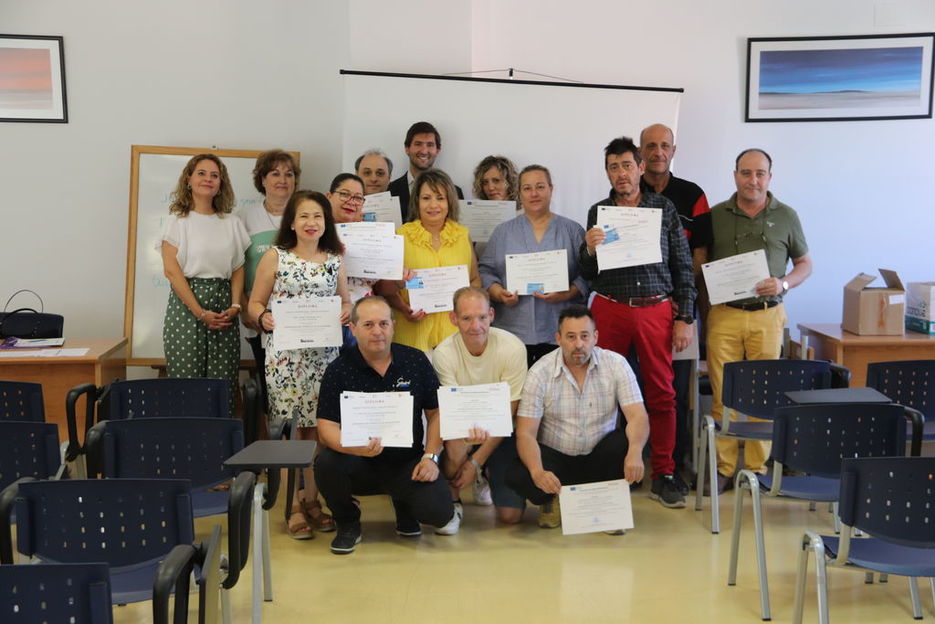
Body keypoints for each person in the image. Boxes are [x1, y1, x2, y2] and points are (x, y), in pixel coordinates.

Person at [578, 136, 695, 509]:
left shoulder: (664, 208)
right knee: (606, 392)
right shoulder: (599, 211)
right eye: (614, 167)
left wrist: (685, 318)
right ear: (607, 172)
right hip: (611, 308)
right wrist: (589, 250)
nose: (621, 173)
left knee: (662, 393)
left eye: (627, 165)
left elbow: (683, 266)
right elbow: (587, 271)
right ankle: (615, 469)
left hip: (655, 310)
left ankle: (663, 472)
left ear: (641, 168)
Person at [704, 148, 812, 493]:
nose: (753, 180)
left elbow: (805, 264)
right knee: (724, 394)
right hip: (724, 316)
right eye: (746, 173)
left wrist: (782, 283)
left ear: (770, 177)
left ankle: (756, 469)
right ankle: (722, 468)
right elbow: (700, 262)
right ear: (734, 175)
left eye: (760, 173)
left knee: (762, 396)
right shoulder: (716, 214)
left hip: (768, 315)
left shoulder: (787, 215)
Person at [315, 296, 456, 554]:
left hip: (406, 463)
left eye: (383, 323)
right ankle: (347, 522)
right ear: (353, 328)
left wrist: (431, 457)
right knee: (325, 463)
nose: (377, 331)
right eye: (368, 325)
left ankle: (404, 504)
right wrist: (354, 448)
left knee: (439, 513)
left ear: (393, 325)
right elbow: (326, 428)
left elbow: (437, 413)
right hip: (358, 463)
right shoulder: (338, 369)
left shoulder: (415, 361)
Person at [248, 190, 352, 539]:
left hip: (323, 357)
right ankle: (292, 505)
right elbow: (255, 303)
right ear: (291, 222)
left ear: (327, 223)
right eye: (304, 216)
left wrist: (346, 312)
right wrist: (263, 318)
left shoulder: (334, 259)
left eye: (318, 216)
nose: (311, 223)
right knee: (291, 429)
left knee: (319, 430)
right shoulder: (275, 257)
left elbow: (346, 302)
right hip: (285, 357)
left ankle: (313, 500)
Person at [507, 306, 649, 529]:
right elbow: (525, 433)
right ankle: (552, 498)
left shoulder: (616, 364)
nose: (578, 344)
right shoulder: (540, 372)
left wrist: (635, 453)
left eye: (584, 336)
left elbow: (638, 416)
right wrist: (537, 472)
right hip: (557, 458)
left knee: (626, 443)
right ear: (558, 339)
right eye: (570, 337)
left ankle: (605, 503)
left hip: (599, 455)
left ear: (595, 337)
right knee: (518, 473)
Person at [638, 124, 711, 490]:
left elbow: (699, 254)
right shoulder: (624, 195)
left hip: (679, 309)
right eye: (650, 146)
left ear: (673, 150)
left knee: (676, 392)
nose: (657, 152)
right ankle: (638, 462)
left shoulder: (693, 195)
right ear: (640, 151)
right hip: (639, 310)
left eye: (664, 145)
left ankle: (673, 467)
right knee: (635, 389)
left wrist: (676, 297)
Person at [159, 153, 248, 417]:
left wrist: (235, 305)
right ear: (189, 179)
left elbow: (238, 268)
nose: (208, 179)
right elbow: (172, 272)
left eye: (214, 175)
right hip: (186, 307)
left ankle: (221, 451)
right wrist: (200, 312)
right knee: (188, 388)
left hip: (224, 308)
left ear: (221, 183)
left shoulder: (231, 222)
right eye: (201, 173)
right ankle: (188, 452)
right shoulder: (176, 221)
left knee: (223, 387)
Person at [433, 287, 528, 528]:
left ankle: (482, 473)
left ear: (492, 315)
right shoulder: (444, 353)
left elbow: (511, 411)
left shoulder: (513, 348)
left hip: (501, 431)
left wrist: (474, 462)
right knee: (455, 447)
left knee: (510, 516)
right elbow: (452, 410)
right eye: (466, 318)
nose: (476, 326)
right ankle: (453, 503)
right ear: (453, 319)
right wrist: (466, 449)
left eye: (482, 317)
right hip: (463, 426)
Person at [480, 164, 588, 367]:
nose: (534, 193)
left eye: (540, 186)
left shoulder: (572, 230)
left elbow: (587, 274)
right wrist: (498, 293)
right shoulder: (503, 232)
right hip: (513, 329)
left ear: (551, 189)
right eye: (527, 188)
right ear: (519, 193)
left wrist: (566, 294)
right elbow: (485, 270)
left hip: (559, 328)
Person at [385, 169, 481, 352]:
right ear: (417, 201)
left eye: (440, 198)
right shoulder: (401, 235)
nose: (433, 205)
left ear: (449, 201)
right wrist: (404, 308)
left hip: (454, 334)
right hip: (412, 334)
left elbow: (475, 280)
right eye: (426, 198)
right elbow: (384, 287)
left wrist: (467, 308)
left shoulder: (462, 235)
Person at [239, 149, 301, 405]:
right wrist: (246, 309)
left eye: (289, 174)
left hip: (301, 315)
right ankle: (273, 442)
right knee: (270, 392)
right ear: (262, 179)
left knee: (301, 390)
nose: (282, 179)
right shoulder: (244, 218)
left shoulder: (304, 213)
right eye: (274, 173)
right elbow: (238, 267)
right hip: (262, 315)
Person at [387, 121, 464, 222]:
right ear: (407, 149)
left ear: (437, 150)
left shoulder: (455, 192)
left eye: (430, 145)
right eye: (418, 144)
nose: (424, 151)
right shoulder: (389, 191)